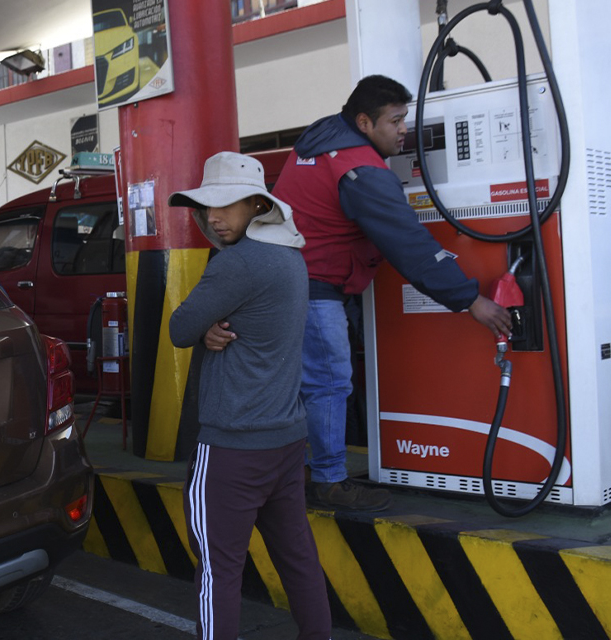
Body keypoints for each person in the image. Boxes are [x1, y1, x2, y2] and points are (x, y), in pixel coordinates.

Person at [269, 75, 512, 511]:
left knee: (304, 385)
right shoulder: (361, 169)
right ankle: (328, 481)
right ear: (364, 122)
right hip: (313, 288)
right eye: (395, 121)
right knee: (328, 383)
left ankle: (300, 472)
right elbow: (409, 245)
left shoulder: (322, 138)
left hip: (288, 283)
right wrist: (471, 299)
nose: (404, 130)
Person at [169, 151, 331, 640]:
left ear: (258, 205)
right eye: (207, 206)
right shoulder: (290, 257)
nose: (214, 217)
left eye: (228, 205)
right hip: (285, 439)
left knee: (219, 570)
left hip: (232, 446)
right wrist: (209, 331)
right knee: (297, 556)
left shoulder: (237, 264)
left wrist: (201, 331)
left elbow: (179, 327)